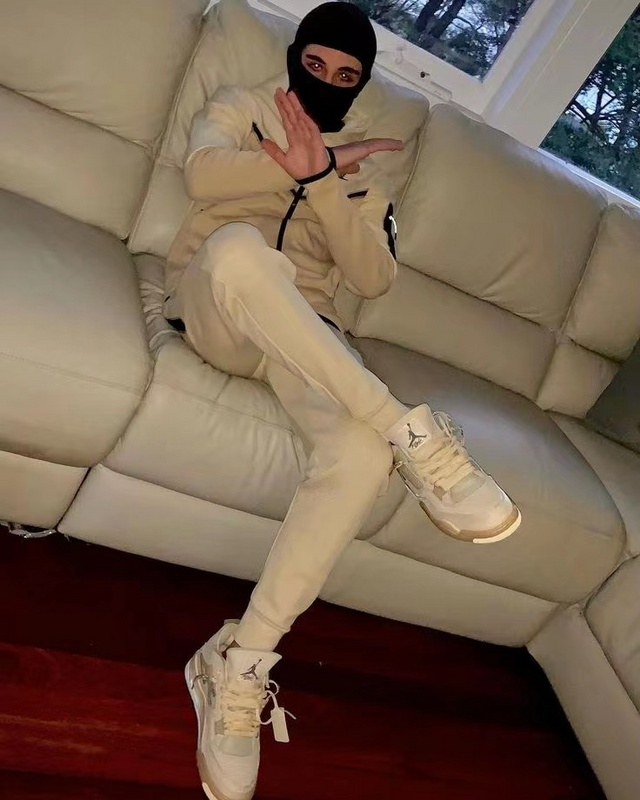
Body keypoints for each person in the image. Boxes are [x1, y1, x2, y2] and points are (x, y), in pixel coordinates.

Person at [165, 4, 522, 798]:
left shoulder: (369, 169)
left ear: (360, 83)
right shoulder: (242, 106)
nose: (326, 80)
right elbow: (202, 176)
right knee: (239, 248)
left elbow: (373, 277)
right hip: (218, 305)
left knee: (359, 456)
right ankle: (411, 431)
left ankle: (239, 663)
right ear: (296, 56)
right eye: (315, 64)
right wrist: (298, 163)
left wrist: (326, 180)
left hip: (309, 340)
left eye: (346, 74)